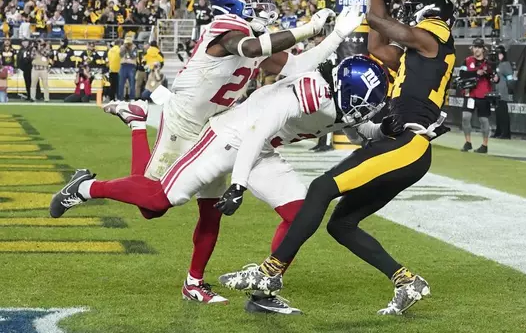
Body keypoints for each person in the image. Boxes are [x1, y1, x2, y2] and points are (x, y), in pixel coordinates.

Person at [50, 0, 360, 304]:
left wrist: (337, 34)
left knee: (210, 210)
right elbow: (251, 48)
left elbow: (297, 64)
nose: (262, 4)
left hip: (216, 125)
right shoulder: (225, 28)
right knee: (152, 207)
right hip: (183, 123)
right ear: (234, 2)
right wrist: (310, 29)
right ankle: (87, 184)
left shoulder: (256, 35)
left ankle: (193, 283)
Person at [51, 55, 386, 315]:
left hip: (262, 148)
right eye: (362, 104)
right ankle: (84, 188)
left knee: (301, 215)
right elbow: (254, 134)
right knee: (159, 201)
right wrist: (238, 185)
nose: (363, 112)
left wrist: (390, 131)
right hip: (229, 138)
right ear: (342, 90)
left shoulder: (343, 100)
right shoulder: (305, 93)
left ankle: (260, 290)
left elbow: (355, 126)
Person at [218, 0, 455, 316]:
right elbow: (377, 44)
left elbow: (377, 22)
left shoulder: (435, 35)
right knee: (341, 224)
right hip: (404, 146)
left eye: (411, 12)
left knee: (320, 188)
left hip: (408, 143)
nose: (406, 17)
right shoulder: (422, 52)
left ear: (425, 14)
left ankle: (270, 273)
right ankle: (407, 281)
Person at [460, 38, 499, 153]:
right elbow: (462, 74)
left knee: (483, 120)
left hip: (483, 94)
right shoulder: (467, 61)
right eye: (475, 47)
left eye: (479, 47)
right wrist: (475, 72)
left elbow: (494, 77)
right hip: (470, 93)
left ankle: (484, 145)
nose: (476, 50)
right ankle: (468, 142)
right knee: (465, 117)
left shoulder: (488, 63)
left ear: (483, 49)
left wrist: (496, 78)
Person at [491, 45, 513, 139]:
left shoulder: (506, 64)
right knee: (498, 113)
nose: (498, 56)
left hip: (503, 92)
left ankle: (505, 133)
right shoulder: (498, 65)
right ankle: (499, 131)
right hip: (497, 92)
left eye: (500, 54)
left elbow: (510, 78)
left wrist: (510, 88)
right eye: (497, 54)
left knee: (503, 113)